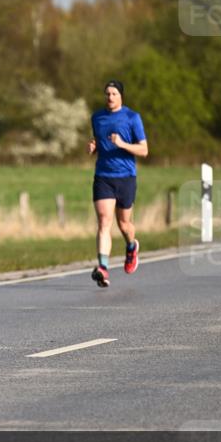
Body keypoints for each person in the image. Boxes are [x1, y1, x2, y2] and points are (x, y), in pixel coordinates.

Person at [88, 79, 148, 288]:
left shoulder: (132, 118)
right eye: (107, 94)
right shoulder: (97, 117)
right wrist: (94, 146)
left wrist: (122, 144)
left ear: (121, 96)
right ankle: (103, 267)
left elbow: (144, 150)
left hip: (126, 176)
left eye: (114, 94)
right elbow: (99, 140)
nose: (110, 97)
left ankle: (132, 246)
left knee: (124, 225)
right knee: (104, 222)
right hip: (103, 175)